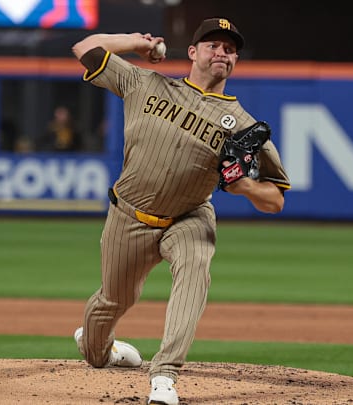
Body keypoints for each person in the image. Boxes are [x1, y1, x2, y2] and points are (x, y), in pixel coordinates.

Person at [70, 17, 290, 405]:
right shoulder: (145, 83)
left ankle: (164, 375)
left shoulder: (242, 125)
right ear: (192, 52)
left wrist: (247, 187)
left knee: (195, 270)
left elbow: (276, 200)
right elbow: (84, 49)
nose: (222, 52)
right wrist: (135, 43)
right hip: (128, 216)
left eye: (230, 48)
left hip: (190, 217)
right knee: (113, 302)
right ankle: (99, 344)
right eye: (213, 45)